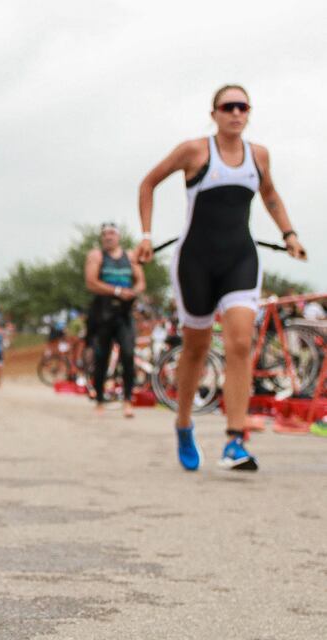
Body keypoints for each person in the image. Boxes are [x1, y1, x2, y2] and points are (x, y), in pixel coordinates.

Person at [137, 84, 307, 472]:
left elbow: (270, 194)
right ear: (213, 113)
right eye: (228, 106)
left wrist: (289, 235)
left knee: (241, 343)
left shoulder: (259, 155)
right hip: (195, 262)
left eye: (242, 106)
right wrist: (145, 236)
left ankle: (234, 441)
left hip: (240, 260)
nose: (236, 113)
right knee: (195, 348)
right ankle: (183, 422)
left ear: (249, 112)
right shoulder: (194, 151)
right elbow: (148, 183)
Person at [85, 222, 145, 418]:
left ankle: (128, 400)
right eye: (105, 234)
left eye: (112, 233)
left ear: (118, 236)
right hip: (103, 313)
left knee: (128, 355)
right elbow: (91, 282)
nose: (108, 237)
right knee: (101, 357)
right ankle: (100, 400)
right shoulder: (96, 256)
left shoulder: (130, 257)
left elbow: (141, 282)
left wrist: (132, 292)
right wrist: (117, 291)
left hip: (124, 314)